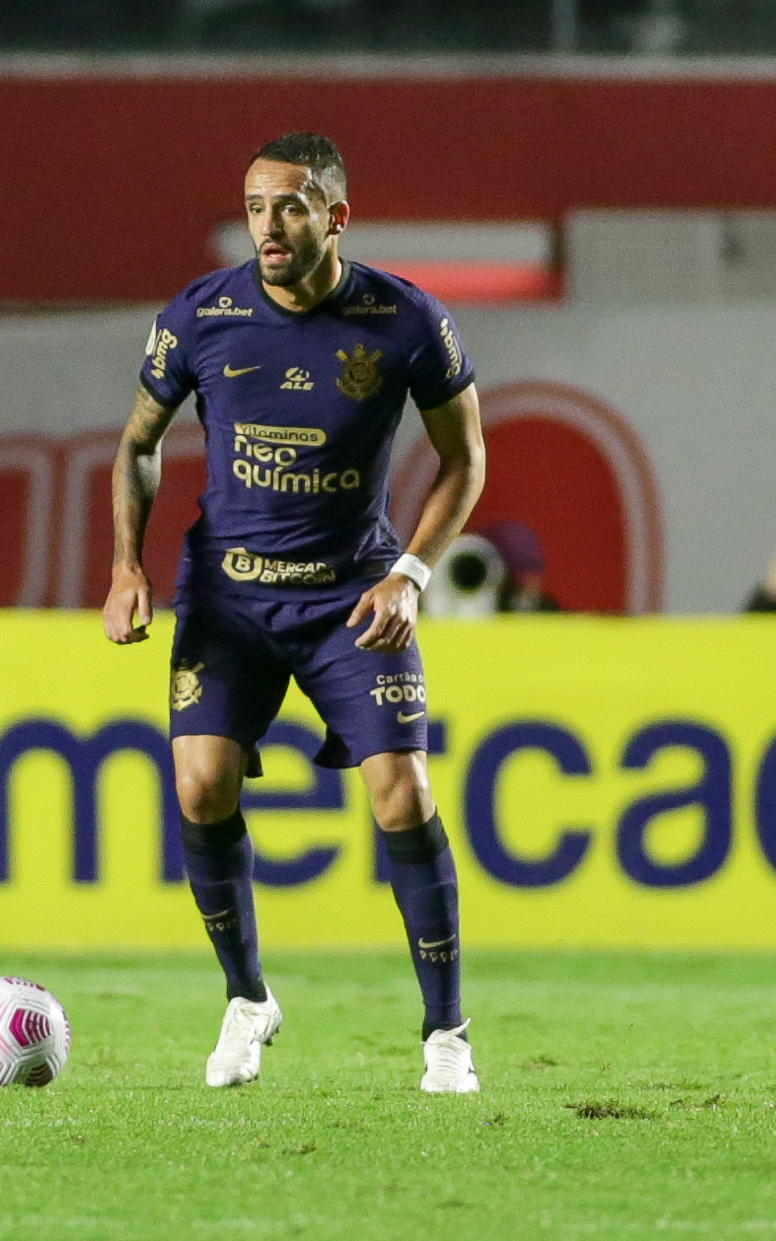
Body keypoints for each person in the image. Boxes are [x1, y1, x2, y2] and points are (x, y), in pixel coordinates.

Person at [101, 132, 488, 1094]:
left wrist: (409, 574)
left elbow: (466, 458)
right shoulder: (201, 315)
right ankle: (247, 1001)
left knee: (402, 792)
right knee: (199, 787)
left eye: (290, 206)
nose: (268, 227)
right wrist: (125, 566)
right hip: (228, 592)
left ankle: (446, 1034)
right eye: (256, 207)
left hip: (351, 594)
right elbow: (137, 445)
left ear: (335, 217)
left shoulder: (405, 320)